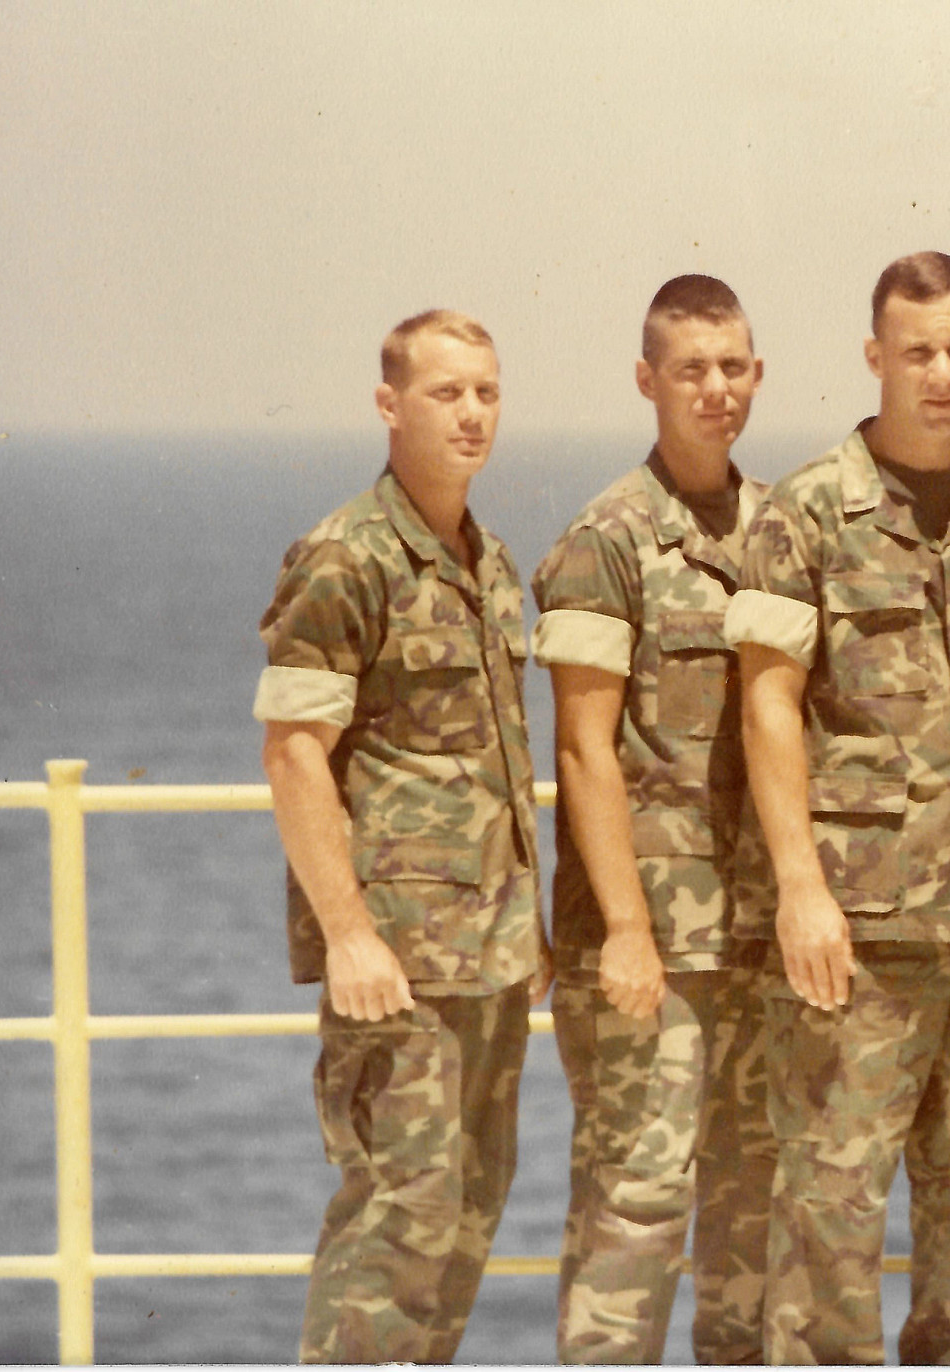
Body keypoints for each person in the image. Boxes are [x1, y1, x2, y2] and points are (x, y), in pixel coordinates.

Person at [723, 251, 950, 1365]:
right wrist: (800, 891)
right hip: (856, 939)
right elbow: (766, 705)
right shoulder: (805, 514)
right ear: (875, 358)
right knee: (830, 1215)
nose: (939, 373)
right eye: (916, 351)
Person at [255, 309, 547, 1363]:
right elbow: (293, 753)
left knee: (463, 1221)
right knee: (393, 1230)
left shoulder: (486, 561)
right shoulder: (347, 557)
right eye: (444, 392)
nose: (471, 413)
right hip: (397, 967)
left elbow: (492, 768)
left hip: (489, 961)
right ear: (389, 405)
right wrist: (347, 935)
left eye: (486, 391)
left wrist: (529, 931)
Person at [529, 275, 778, 1363]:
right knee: (636, 1205)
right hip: (648, 949)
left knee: (754, 1214)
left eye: (731, 367)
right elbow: (584, 748)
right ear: (648, 381)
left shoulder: (778, 529)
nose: (714, 390)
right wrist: (627, 928)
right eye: (690, 370)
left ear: (756, 376)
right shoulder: (608, 540)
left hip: (759, 942)